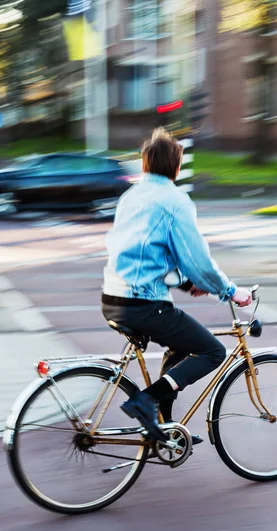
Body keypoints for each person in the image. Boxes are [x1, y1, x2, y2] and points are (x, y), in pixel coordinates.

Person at [101, 128, 252, 444]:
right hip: (142, 302)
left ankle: (163, 427)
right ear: (176, 167)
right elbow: (197, 258)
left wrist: (185, 283)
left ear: (145, 164)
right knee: (212, 350)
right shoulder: (174, 200)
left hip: (113, 296)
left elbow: (144, 253)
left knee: (181, 347)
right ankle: (145, 401)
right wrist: (230, 291)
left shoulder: (131, 196)